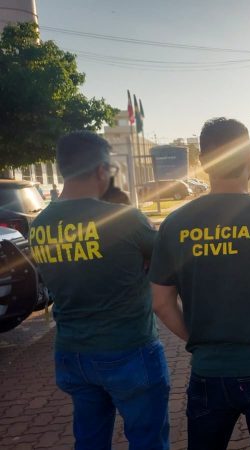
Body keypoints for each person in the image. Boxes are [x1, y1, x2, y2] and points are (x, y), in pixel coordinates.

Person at [148, 118, 250, 450]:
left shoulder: (174, 224)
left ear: (203, 162)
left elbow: (160, 303)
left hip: (209, 370)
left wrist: (197, 339)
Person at [29, 131, 169, 450]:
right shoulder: (124, 219)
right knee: (148, 440)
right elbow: (166, 260)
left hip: (72, 352)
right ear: (102, 170)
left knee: (90, 440)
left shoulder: (40, 226)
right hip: (129, 349)